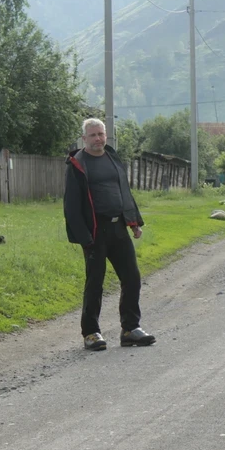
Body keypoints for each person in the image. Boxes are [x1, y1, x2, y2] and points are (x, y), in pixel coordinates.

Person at [64, 118, 156, 351]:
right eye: (93, 135)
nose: (98, 139)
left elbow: (124, 191)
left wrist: (133, 222)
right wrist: (84, 238)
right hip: (95, 232)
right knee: (95, 282)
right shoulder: (77, 164)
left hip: (118, 228)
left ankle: (130, 329)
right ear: (84, 139)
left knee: (132, 277)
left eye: (101, 134)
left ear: (106, 136)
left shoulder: (112, 158)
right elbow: (71, 206)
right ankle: (91, 333)